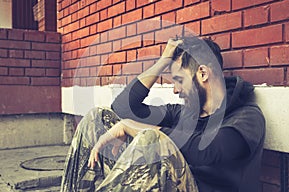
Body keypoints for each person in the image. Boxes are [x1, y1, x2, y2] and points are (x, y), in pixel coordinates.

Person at [61, 36, 265, 192]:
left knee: (151, 139)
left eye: (179, 80)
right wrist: (163, 60)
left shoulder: (246, 117)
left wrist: (134, 129)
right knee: (98, 118)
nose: (175, 90)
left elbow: (205, 151)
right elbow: (123, 108)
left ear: (203, 74)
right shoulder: (183, 113)